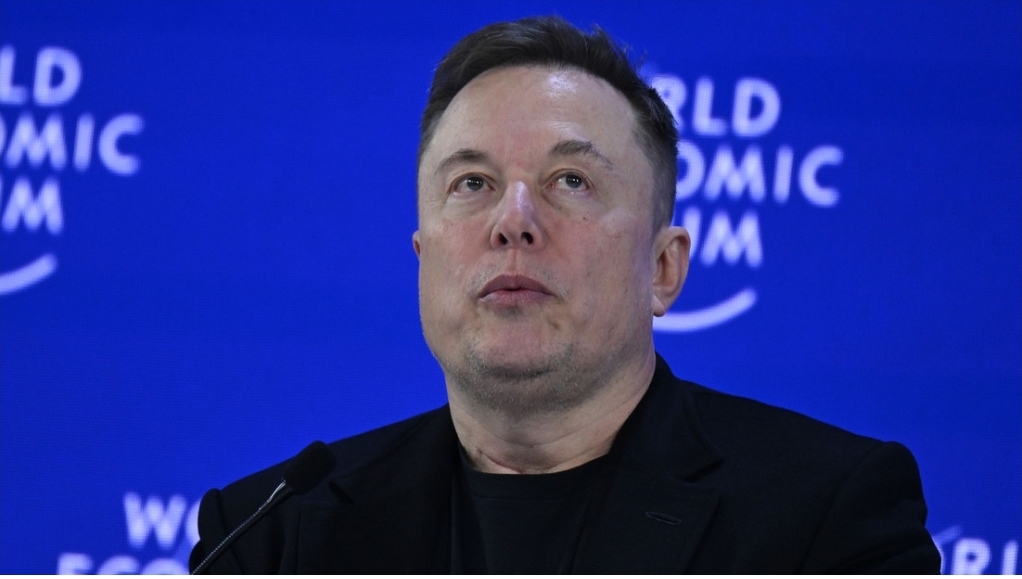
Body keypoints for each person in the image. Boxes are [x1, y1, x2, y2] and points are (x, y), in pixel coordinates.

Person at [190, 16, 940, 573]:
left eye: (571, 180)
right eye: (472, 183)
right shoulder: (271, 533)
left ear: (663, 269)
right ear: (423, 258)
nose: (513, 221)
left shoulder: (827, 517)